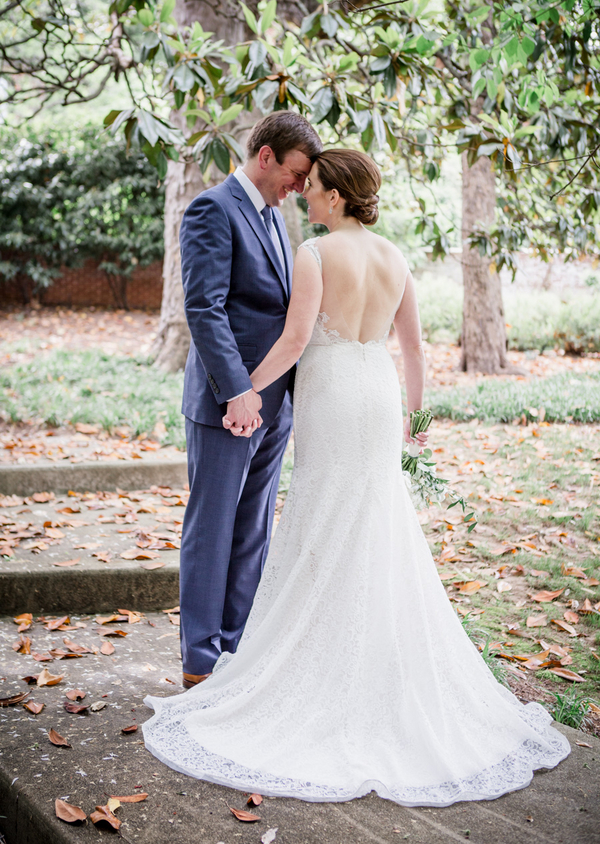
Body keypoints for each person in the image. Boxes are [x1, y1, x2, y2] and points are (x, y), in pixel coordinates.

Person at [144, 149, 569, 806]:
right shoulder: (395, 256)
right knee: (376, 519)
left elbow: (293, 343)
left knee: (322, 519)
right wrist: (417, 420)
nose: (304, 193)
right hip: (377, 397)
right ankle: (373, 665)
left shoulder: (315, 254)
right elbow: (415, 349)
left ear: (337, 197)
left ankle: (315, 665)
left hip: (334, 399)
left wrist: (243, 390)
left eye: (313, 186)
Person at [177, 112, 322, 689]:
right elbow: (204, 308)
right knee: (211, 530)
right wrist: (239, 391)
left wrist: (274, 397)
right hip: (228, 406)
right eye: (296, 173)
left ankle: (234, 650)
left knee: (253, 531)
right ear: (266, 156)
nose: (300, 186)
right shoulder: (213, 209)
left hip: (274, 408)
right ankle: (199, 661)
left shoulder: (275, 219)